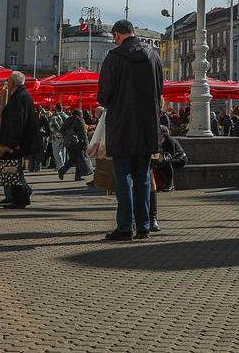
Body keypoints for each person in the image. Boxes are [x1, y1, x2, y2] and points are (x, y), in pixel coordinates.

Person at [97, 20, 165, 241]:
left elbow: (104, 94)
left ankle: (125, 227)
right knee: (143, 176)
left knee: (123, 176)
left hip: (122, 125)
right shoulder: (154, 56)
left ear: (117, 35)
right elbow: (160, 89)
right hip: (147, 125)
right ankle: (144, 226)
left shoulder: (114, 57)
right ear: (134, 32)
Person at [0, 71, 40, 209]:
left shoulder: (20, 97)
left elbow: (17, 121)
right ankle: (21, 196)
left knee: (13, 170)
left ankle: (20, 199)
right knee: (14, 170)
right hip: (17, 139)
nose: (7, 83)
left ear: (13, 82)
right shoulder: (21, 95)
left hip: (16, 141)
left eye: (8, 80)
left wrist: (12, 142)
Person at [57, 109, 90, 181]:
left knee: (74, 159)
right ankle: (63, 171)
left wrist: (68, 136)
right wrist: (86, 144)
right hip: (77, 143)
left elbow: (61, 130)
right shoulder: (80, 120)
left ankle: (76, 175)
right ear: (80, 114)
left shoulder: (68, 119)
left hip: (68, 143)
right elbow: (83, 133)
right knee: (77, 158)